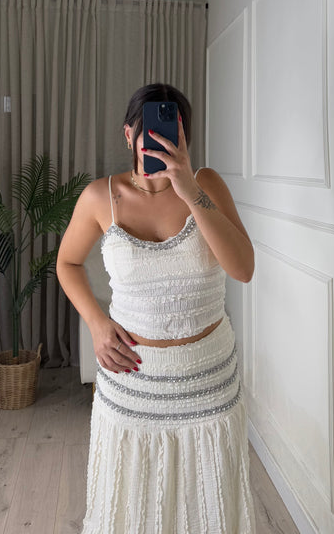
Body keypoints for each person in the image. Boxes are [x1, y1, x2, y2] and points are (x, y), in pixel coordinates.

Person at [57, 83, 257, 533]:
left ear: (185, 135)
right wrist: (96, 323)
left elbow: (243, 268)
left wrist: (189, 190)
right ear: (129, 134)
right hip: (132, 381)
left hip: (207, 379)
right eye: (149, 130)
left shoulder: (206, 185)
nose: (160, 139)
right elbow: (67, 263)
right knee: (132, 505)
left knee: (208, 503)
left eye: (172, 130)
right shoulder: (100, 197)